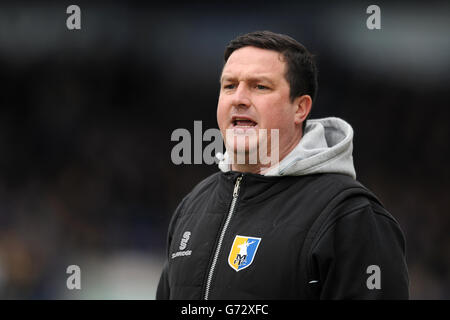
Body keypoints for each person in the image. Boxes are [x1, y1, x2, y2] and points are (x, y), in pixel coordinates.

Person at [156, 31, 409, 299]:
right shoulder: (193, 206)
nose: (238, 98)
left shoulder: (350, 215)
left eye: (259, 86)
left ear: (300, 108)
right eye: (229, 85)